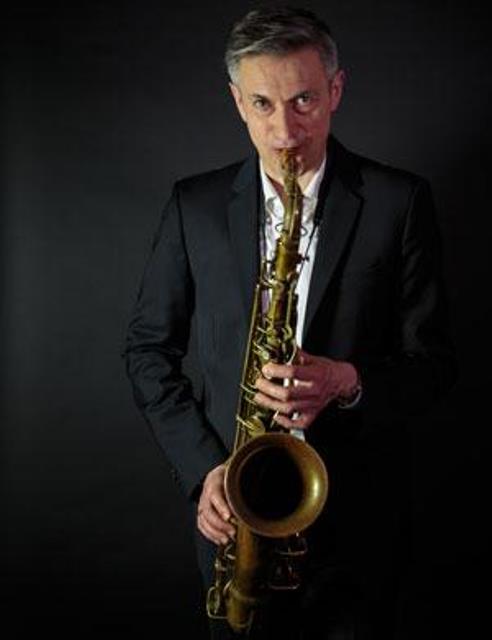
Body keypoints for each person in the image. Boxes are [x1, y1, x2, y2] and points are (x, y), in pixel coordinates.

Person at [124, 7, 457, 639]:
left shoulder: (400, 201)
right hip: (236, 516)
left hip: (359, 527)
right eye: (262, 104)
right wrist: (206, 472)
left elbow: (436, 365)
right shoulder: (194, 206)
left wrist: (348, 381)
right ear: (236, 101)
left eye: (304, 99)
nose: (284, 131)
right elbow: (147, 351)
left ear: (336, 89)